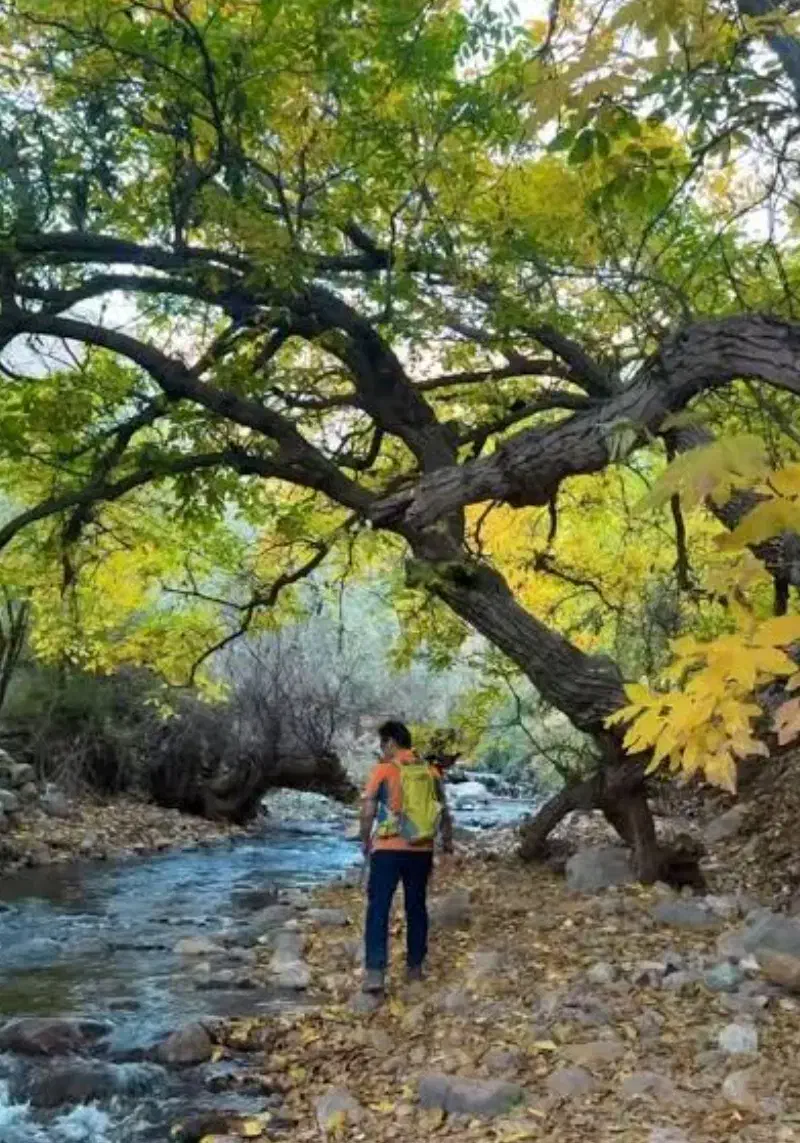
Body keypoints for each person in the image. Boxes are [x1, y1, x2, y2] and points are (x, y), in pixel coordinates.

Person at [359, 720, 453, 994]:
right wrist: (447, 843)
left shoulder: (384, 770)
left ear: (390, 742)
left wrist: (365, 840)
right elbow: (443, 811)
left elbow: (368, 811)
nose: (382, 749)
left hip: (387, 849)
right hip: (421, 849)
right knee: (416, 906)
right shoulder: (430, 770)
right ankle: (415, 968)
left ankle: (376, 973)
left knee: (379, 908)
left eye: (382, 743)